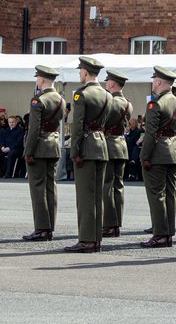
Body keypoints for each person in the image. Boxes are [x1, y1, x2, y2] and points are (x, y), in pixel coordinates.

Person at [65, 56, 112, 253]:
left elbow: (77, 126)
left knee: (85, 197)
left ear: (85, 72)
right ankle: (96, 239)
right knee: (97, 196)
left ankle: (86, 239)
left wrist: (74, 151)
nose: (79, 74)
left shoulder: (81, 95)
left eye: (80, 71)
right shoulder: (107, 95)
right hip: (101, 146)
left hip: (86, 146)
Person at [139, 67, 176, 247]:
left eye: (154, 80)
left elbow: (150, 134)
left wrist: (144, 155)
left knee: (156, 195)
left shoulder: (156, 103)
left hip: (157, 152)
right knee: (170, 194)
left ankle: (159, 234)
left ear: (158, 82)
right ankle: (168, 232)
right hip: (173, 150)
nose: (153, 83)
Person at [23, 65, 64, 241]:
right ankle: (49, 227)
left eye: (37, 79)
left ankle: (41, 228)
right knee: (51, 187)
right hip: (53, 144)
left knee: (38, 188)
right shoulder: (61, 100)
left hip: (39, 147)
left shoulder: (38, 100)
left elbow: (34, 130)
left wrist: (28, 151)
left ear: (41, 80)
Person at [97, 70, 133, 238]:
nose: (106, 85)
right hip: (120, 145)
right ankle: (117, 222)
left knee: (107, 187)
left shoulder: (111, 102)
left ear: (112, 84)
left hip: (109, 144)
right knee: (118, 187)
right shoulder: (127, 103)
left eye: (107, 83)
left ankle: (110, 224)